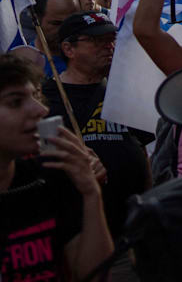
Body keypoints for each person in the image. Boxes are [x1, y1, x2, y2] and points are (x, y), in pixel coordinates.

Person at [42, 13, 149, 281]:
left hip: (131, 236)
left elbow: (143, 153)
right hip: (75, 240)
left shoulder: (122, 90)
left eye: (111, 39)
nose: (109, 46)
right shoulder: (44, 99)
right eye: (97, 40)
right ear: (69, 49)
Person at [0, 51, 113, 281]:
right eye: (15, 102)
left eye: (35, 96)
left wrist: (91, 193)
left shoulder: (48, 176)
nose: (41, 110)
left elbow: (94, 275)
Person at [27, 0, 78, 74]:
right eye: (56, 23)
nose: (64, 30)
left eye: (71, 23)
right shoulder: (25, 65)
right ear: (36, 20)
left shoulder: (90, 60)